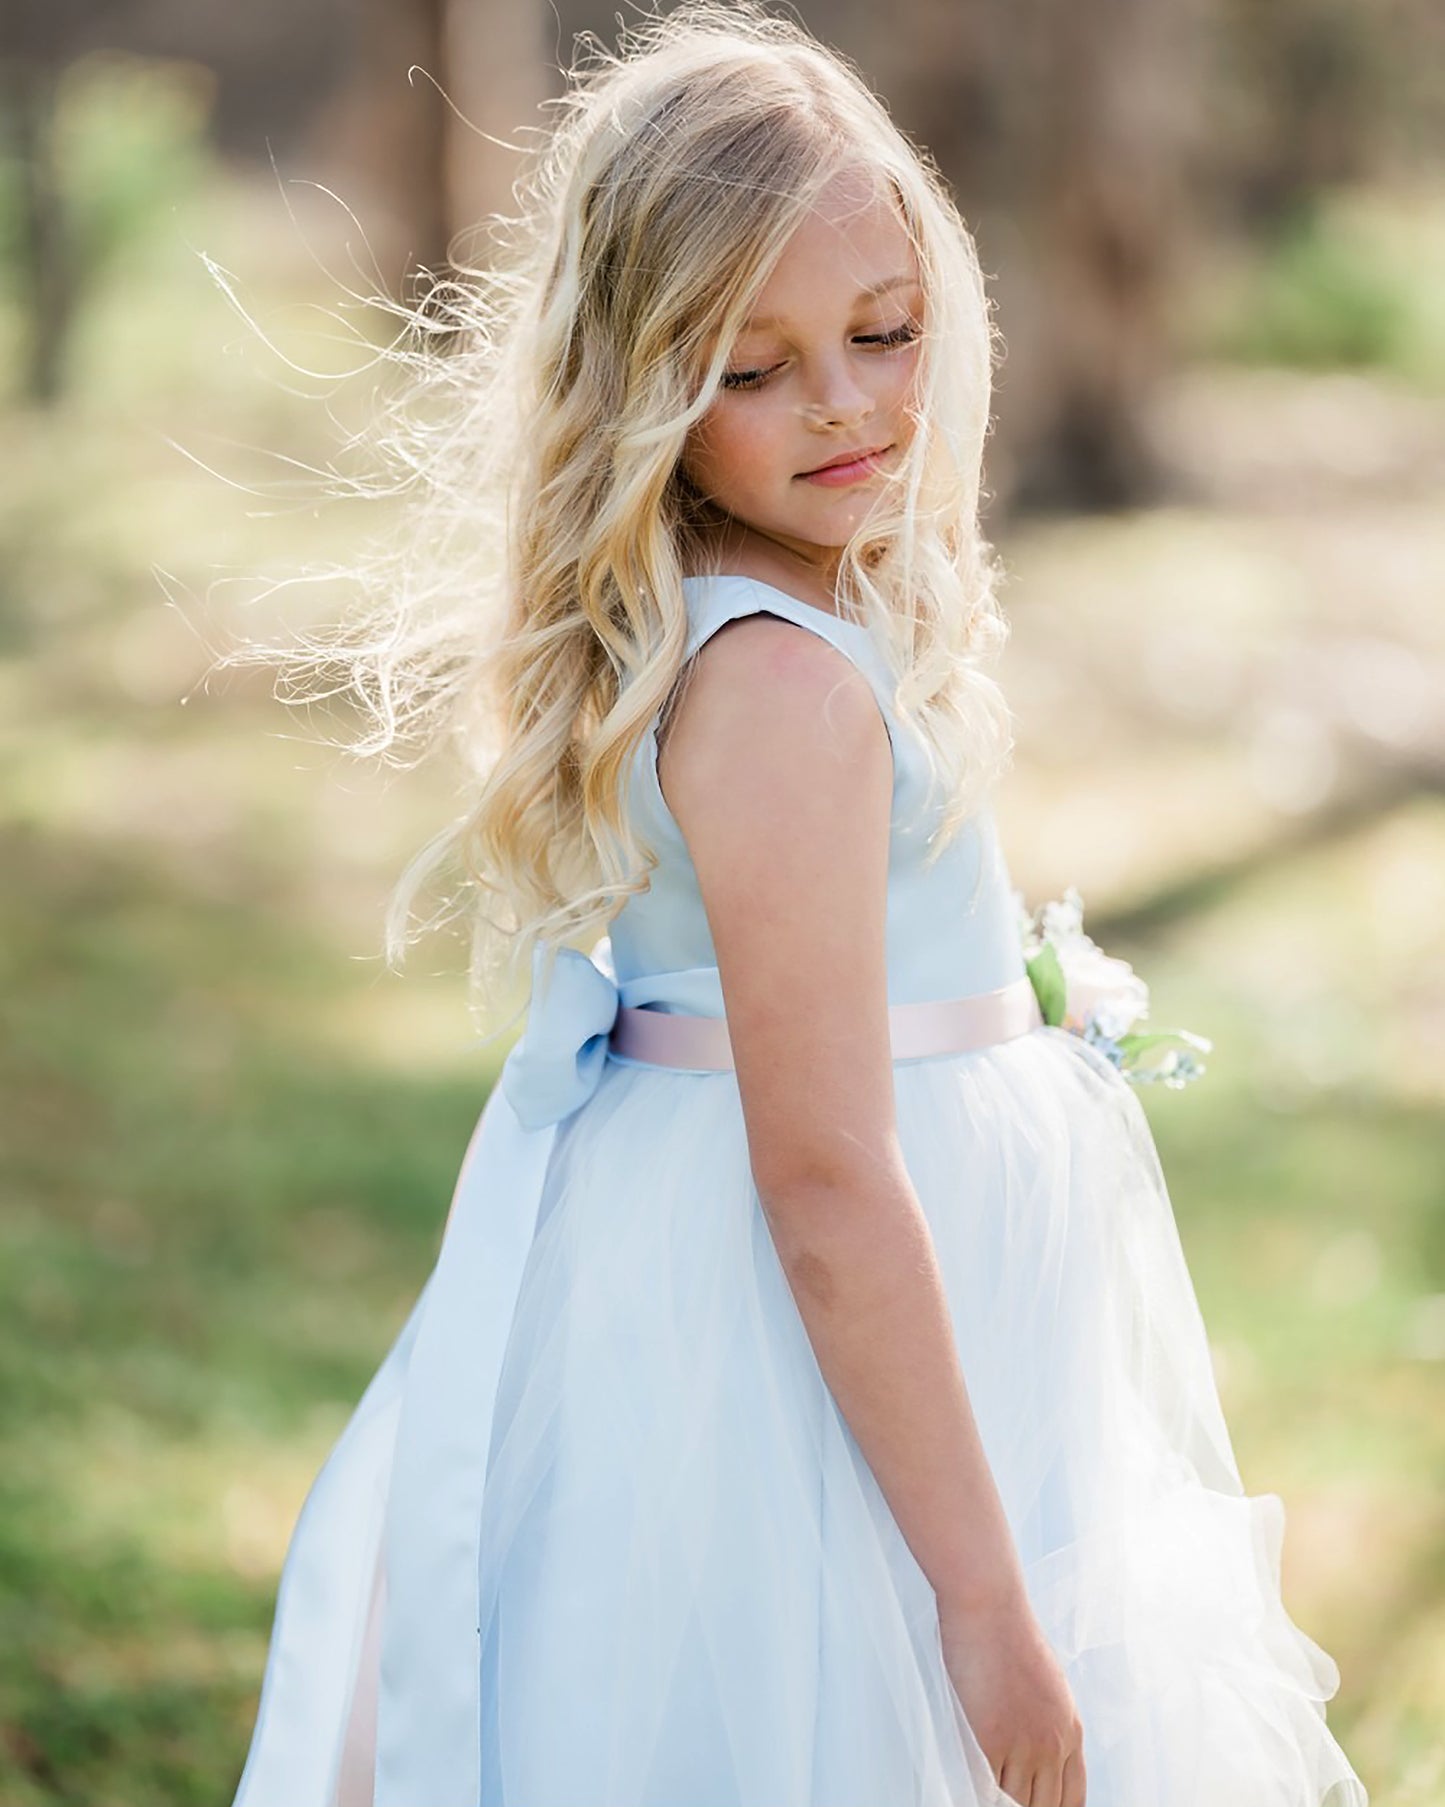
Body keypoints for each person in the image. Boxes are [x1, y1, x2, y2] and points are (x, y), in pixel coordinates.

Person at [225, 5, 1369, 1805]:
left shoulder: (757, 617)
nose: (841, 401)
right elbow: (827, 1180)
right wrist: (981, 1600)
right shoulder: (777, 693)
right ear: (638, 388)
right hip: (805, 1331)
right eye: (749, 370)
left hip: (840, 1293)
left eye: (881, 332)